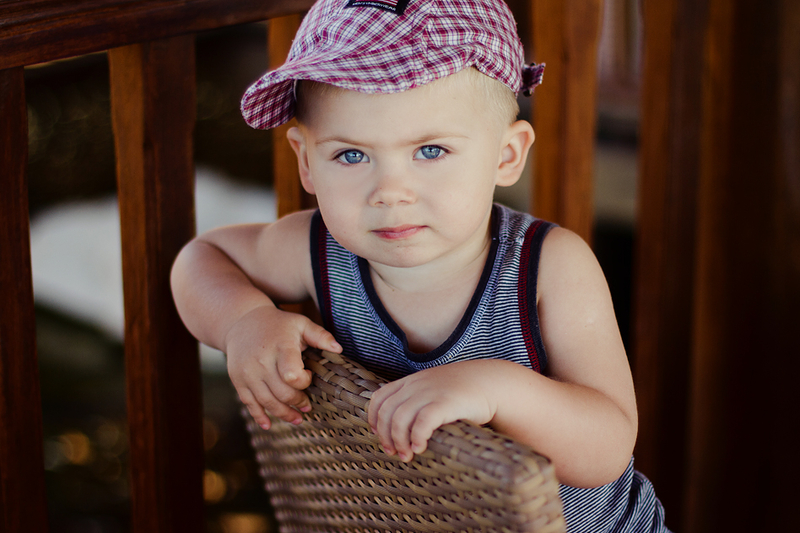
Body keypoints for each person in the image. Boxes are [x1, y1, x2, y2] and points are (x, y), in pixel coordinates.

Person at [171, 0, 670, 530]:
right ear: (306, 160)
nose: (390, 191)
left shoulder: (548, 266)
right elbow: (203, 258)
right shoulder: (315, 248)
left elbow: (607, 447)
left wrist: (495, 390)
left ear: (506, 155)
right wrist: (243, 320)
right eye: (351, 155)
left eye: (430, 151)